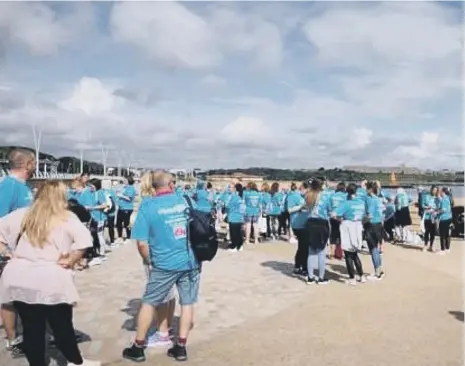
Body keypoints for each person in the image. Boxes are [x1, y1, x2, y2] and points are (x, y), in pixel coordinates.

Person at [0, 181, 100, 366]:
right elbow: (85, 241)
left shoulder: (23, 214)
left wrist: (7, 252)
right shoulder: (66, 217)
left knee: (31, 329)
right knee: (62, 325)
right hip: (50, 277)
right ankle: (75, 362)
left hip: (19, 275)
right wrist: (71, 259)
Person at [123, 172, 200, 363]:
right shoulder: (186, 201)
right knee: (187, 303)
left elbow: (141, 243)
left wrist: (150, 261)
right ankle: (181, 346)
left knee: (149, 302)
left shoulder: (148, 206)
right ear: (172, 185)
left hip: (164, 263)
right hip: (190, 261)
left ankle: (138, 347)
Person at [0, 149, 35, 354]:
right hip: (13, 252)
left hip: (29, 250)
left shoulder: (24, 187)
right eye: (34, 162)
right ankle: (13, 338)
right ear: (26, 164)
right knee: (10, 296)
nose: (36, 165)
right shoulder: (8, 187)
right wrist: (5, 251)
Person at [333, 183, 366, 285]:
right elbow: (364, 215)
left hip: (348, 226)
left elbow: (334, 214)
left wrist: (340, 219)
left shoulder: (346, 203)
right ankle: (361, 275)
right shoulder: (361, 202)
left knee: (348, 254)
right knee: (355, 253)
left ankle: (352, 278)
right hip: (358, 226)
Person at [305, 178, 332, 285]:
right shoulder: (325, 196)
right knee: (321, 252)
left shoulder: (308, 195)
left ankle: (310, 277)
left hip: (310, 222)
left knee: (311, 251)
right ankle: (321, 278)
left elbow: (306, 208)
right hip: (322, 223)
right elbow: (329, 209)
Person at [365, 182, 385, 280]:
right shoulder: (378, 198)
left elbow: (370, 215)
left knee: (373, 249)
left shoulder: (372, 200)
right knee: (376, 248)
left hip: (372, 225)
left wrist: (361, 221)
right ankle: (380, 270)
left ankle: (377, 272)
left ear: (370, 189)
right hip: (379, 225)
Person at [287, 183, 308, 276]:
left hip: (306, 224)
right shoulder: (293, 196)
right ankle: (300, 266)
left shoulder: (306, 197)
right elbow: (289, 209)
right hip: (297, 224)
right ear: (302, 188)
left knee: (304, 247)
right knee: (303, 247)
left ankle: (301, 266)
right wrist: (300, 207)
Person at [116, 176, 137, 243]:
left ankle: (128, 237)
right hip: (121, 207)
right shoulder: (124, 187)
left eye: (125, 180)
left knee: (126, 223)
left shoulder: (131, 188)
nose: (124, 181)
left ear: (129, 181)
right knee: (118, 223)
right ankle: (120, 237)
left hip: (127, 208)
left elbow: (129, 198)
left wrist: (120, 195)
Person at [329, 182, 346, 259]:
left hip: (333, 217)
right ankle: (340, 254)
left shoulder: (332, 195)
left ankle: (332, 253)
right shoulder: (345, 196)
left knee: (333, 235)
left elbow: (329, 206)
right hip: (341, 217)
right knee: (342, 235)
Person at [226, 183, 245, 252]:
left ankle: (234, 246)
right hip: (239, 217)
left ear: (234, 189)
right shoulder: (239, 197)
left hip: (233, 216)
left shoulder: (233, 197)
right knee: (238, 232)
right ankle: (240, 245)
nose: (229, 188)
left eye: (230, 187)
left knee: (234, 232)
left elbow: (228, 206)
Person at [422, 185, 438, 252]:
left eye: (436, 190)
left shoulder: (437, 198)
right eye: (433, 190)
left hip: (434, 217)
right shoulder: (426, 196)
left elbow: (439, 206)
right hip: (427, 217)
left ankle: (431, 246)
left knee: (433, 233)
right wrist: (427, 207)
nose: (434, 191)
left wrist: (435, 210)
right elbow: (422, 205)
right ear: (431, 190)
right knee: (426, 232)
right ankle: (425, 245)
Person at [437, 187, 453, 255]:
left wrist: (437, 212)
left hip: (444, 219)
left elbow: (443, 209)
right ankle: (447, 248)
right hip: (449, 218)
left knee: (442, 235)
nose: (439, 192)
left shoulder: (444, 199)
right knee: (447, 234)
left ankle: (442, 250)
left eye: (440, 191)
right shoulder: (447, 198)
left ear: (442, 192)